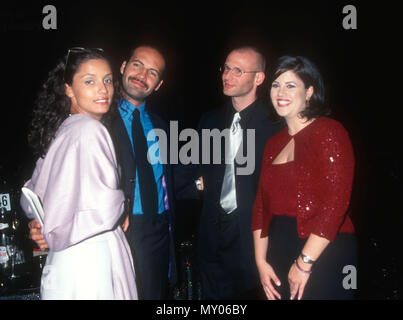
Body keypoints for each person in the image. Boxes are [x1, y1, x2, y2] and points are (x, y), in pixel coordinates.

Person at [28, 44, 177, 300]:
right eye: (137, 64)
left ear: (159, 84)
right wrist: (42, 220)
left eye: (152, 72)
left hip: (157, 233)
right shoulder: (96, 116)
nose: (142, 75)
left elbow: (173, 181)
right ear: (123, 67)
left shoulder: (164, 126)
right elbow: (46, 179)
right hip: (111, 233)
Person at [20, 47, 137, 299]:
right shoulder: (89, 130)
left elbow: (32, 196)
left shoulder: (60, 132)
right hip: (92, 260)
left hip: (63, 261)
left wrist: (41, 224)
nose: (103, 89)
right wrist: (122, 204)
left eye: (107, 80)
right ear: (68, 89)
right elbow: (105, 208)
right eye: (89, 81)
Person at [251, 55, 357, 300]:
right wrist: (260, 261)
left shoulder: (329, 131)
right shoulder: (272, 143)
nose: (281, 92)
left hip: (324, 250)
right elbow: (260, 207)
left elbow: (336, 202)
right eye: (276, 85)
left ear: (309, 91)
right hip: (278, 248)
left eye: (291, 85)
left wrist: (304, 263)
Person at [195, 46, 281, 299]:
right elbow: (192, 174)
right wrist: (200, 186)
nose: (227, 75)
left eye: (238, 70)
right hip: (211, 239)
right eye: (226, 68)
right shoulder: (209, 121)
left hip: (257, 243)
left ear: (259, 78)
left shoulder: (276, 125)